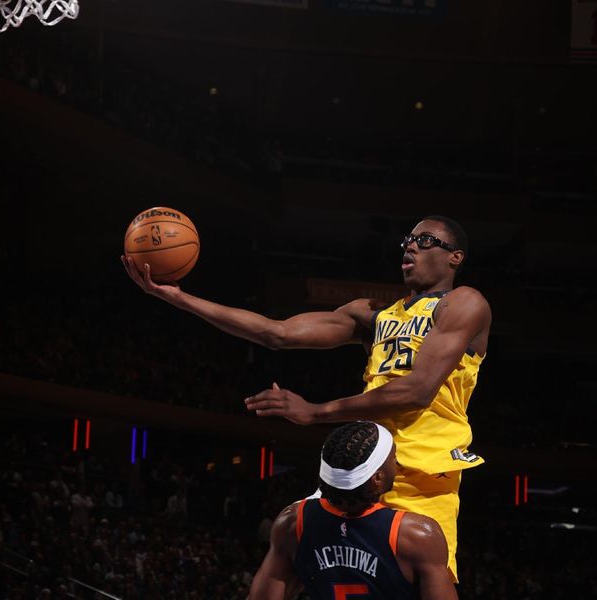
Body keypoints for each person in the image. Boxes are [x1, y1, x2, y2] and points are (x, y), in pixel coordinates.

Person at [121, 215, 491, 581]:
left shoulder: (464, 303)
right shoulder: (375, 315)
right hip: (358, 472)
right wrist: (180, 299)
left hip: (422, 476)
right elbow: (275, 333)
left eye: (424, 240)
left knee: (418, 585)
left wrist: (315, 412)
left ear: (454, 257)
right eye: (407, 240)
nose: (410, 245)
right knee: (292, 559)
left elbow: (418, 389)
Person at [248, 421, 457, 600]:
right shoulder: (416, 535)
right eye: (393, 456)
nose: (397, 462)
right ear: (377, 478)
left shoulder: (294, 522)